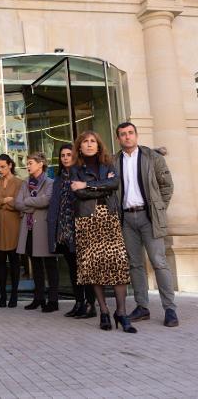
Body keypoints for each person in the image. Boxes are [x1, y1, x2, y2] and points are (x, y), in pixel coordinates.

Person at [71, 131, 136, 333]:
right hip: (87, 220)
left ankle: (122, 312)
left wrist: (89, 184)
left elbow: (114, 184)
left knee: (117, 263)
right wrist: (101, 186)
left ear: (98, 146)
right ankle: (105, 311)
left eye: (93, 142)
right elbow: (79, 192)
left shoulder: (108, 165)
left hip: (109, 217)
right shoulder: (74, 169)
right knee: (95, 266)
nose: (89, 144)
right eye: (85, 142)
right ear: (79, 147)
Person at [114, 122, 178, 327]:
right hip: (126, 219)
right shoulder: (114, 161)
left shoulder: (153, 157)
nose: (127, 137)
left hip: (148, 217)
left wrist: (159, 208)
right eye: (123, 134)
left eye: (130, 133)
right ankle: (142, 307)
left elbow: (166, 186)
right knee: (135, 264)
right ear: (118, 139)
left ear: (136, 135)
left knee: (159, 262)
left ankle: (170, 309)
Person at [48, 144, 96, 319]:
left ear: (75, 156)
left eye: (69, 155)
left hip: (80, 226)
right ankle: (79, 302)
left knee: (85, 268)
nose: (66, 158)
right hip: (64, 229)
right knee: (73, 269)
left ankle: (91, 304)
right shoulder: (59, 179)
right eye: (62, 155)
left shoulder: (82, 174)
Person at [15, 152, 59, 313]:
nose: (28, 165)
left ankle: (53, 300)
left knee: (50, 265)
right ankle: (38, 298)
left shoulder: (50, 182)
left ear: (41, 164)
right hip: (29, 229)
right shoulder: (25, 182)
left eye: (31, 162)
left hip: (44, 228)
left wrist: (28, 203)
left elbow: (46, 200)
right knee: (35, 265)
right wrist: (33, 204)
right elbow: (17, 203)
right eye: (27, 163)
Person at [0, 154, 23, 308]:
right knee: (0, 262)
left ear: (10, 165)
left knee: (14, 262)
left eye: (3, 166)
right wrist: (5, 200)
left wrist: (1, 201)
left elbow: (19, 203)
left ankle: (14, 294)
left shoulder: (20, 183)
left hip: (14, 226)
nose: (0, 170)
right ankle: (2, 295)